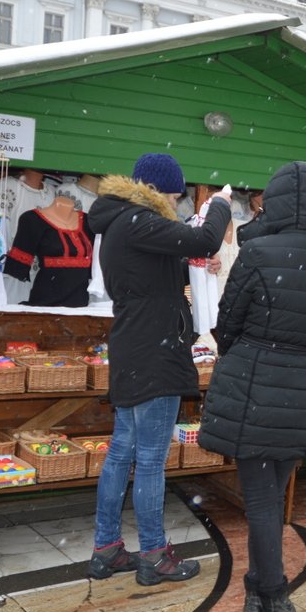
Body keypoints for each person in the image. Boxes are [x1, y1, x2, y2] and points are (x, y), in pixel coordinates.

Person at [198, 161, 306, 612]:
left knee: (262, 503)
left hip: (252, 381)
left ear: (275, 202)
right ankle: (262, 594)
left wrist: (248, 346)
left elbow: (228, 319)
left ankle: (273, 593)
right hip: (300, 382)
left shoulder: (257, 251)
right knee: (274, 498)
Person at [86, 153, 232, 586]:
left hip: (135, 345)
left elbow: (167, 265)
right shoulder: (138, 220)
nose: (175, 203)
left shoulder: (122, 223)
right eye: (172, 195)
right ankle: (154, 555)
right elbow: (205, 237)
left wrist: (196, 266)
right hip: (154, 348)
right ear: (155, 190)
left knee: (122, 452)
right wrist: (221, 204)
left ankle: (106, 548)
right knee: (149, 460)